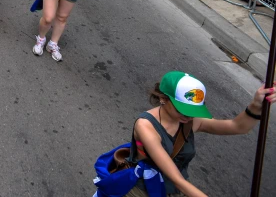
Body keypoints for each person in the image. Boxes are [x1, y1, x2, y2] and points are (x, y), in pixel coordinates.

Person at [114, 71, 276, 197]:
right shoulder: (146, 125)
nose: (188, 116)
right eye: (183, 110)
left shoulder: (191, 121)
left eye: (193, 111)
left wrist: (255, 105)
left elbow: (237, 127)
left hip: (176, 191)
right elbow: (176, 179)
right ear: (163, 99)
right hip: (143, 191)